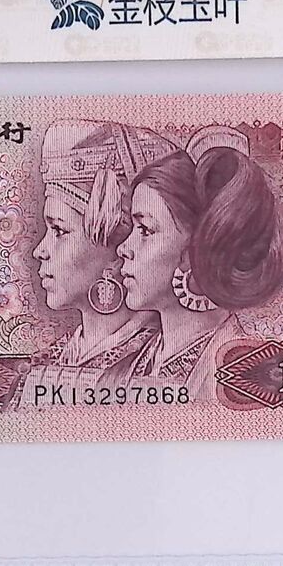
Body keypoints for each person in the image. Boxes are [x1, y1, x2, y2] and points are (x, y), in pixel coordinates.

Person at [115, 126, 283, 402]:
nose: (123, 249)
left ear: (196, 249)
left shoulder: (240, 374)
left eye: (146, 230)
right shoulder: (129, 365)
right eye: (132, 228)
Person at [22, 120, 179, 399]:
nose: (40, 251)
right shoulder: (47, 363)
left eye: (59, 230)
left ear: (117, 247)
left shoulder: (162, 366)